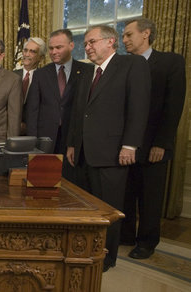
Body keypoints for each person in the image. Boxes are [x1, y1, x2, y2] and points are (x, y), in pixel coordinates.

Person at [66, 25, 150, 272]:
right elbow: (78, 112)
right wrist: (72, 143)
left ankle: (106, 258)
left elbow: (139, 107)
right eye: (86, 43)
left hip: (113, 154)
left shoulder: (131, 66)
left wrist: (130, 145)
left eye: (92, 42)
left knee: (109, 211)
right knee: (87, 210)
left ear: (110, 41)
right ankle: (87, 252)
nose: (88, 47)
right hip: (83, 154)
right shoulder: (88, 72)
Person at [120, 18, 186, 259]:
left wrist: (162, 143)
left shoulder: (170, 62)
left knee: (150, 196)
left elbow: (173, 106)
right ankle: (125, 235)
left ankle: (147, 242)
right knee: (126, 193)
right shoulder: (123, 65)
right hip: (126, 145)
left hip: (153, 145)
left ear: (146, 33)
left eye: (128, 35)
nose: (124, 39)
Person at [26, 29, 92, 157]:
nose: (54, 52)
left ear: (71, 46)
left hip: (75, 138)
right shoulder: (40, 74)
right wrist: (32, 141)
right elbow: (32, 111)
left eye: (58, 47)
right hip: (46, 139)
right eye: (51, 48)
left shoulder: (86, 71)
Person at [13, 37, 46, 134]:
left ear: (41, 57)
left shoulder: (45, 79)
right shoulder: (10, 76)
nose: (27, 54)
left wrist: (28, 126)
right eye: (25, 50)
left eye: (32, 51)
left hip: (34, 133)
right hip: (10, 131)